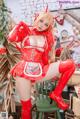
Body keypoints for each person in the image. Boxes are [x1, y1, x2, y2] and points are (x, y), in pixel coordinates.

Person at [7, 11, 75, 119]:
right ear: (37, 18)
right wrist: (19, 24)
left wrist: (54, 70)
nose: (42, 25)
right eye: (41, 21)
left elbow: (47, 59)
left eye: (46, 25)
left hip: (40, 70)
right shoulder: (25, 31)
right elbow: (11, 38)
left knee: (70, 65)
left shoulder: (47, 38)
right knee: (27, 106)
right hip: (23, 70)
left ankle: (56, 94)